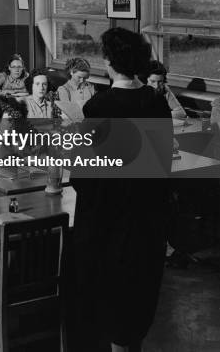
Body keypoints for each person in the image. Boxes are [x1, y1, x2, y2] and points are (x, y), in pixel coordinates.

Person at [72, 28, 173, 352]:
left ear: (109, 63)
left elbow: (85, 179)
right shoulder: (157, 105)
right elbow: (159, 170)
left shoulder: (100, 107)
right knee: (135, 316)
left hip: (108, 228)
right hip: (149, 226)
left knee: (111, 314)